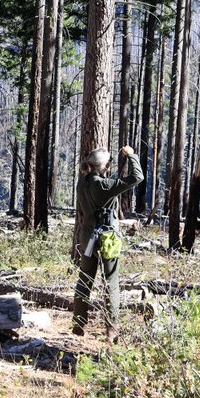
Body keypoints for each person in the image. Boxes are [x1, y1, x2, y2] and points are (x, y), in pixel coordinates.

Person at [72, 145, 143, 341]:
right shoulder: (103, 187)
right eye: (108, 162)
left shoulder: (82, 183)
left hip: (87, 238)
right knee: (110, 283)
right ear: (104, 165)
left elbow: (81, 210)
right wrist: (132, 156)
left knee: (85, 279)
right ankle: (112, 329)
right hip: (107, 239)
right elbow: (138, 177)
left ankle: (78, 323)